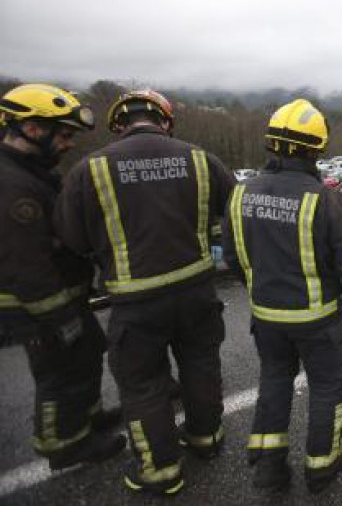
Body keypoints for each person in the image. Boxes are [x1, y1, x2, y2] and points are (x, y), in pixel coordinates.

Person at [55, 89, 235, 496]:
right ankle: (205, 437)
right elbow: (235, 206)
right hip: (197, 290)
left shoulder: (89, 169)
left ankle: (160, 471)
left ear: (118, 124)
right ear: (165, 121)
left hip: (136, 302)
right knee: (200, 364)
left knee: (144, 385)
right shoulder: (200, 158)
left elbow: (70, 237)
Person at [222, 98, 342, 493]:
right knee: (326, 387)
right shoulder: (322, 198)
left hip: (267, 317)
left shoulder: (241, 195)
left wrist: (261, 290)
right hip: (317, 320)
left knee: (274, 379)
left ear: (272, 143)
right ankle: (322, 467)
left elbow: (236, 259)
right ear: (316, 148)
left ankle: (269, 467)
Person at [0, 84, 125, 470]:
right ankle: (63, 444)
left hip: (61, 296)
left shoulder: (28, 172)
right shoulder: (12, 185)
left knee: (86, 355)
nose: (69, 144)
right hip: (38, 306)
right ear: (33, 128)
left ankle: (86, 419)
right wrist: (60, 317)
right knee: (59, 373)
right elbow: (26, 264)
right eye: (64, 134)